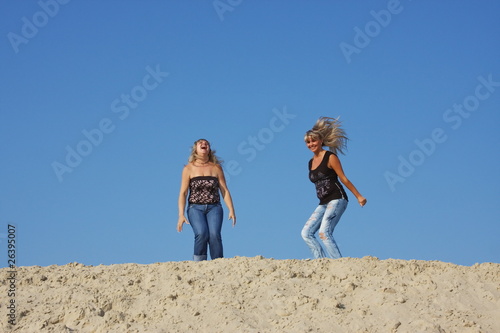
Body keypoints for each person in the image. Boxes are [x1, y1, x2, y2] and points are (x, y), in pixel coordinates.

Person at [301, 117, 367, 259]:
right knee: (306, 233)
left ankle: (339, 263)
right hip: (323, 202)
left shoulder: (330, 157)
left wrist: (359, 196)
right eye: (308, 142)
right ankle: (321, 263)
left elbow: (343, 178)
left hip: (337, 198)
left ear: (320, 141)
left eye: (313, 141)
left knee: (324, 232)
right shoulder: (310, 162)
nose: (311, 144)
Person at [177, 139, 236, 261]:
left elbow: (224, 190)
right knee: (202, 234)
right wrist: (181, 215)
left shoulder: (216, 168)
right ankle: (199, 264)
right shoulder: (188, 169)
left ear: (209, 149)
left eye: (206, 143)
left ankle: (218, 262)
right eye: (201, 143)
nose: (204, 144)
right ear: (195, 149)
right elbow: (183, 193)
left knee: (214, 235)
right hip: (195, 208)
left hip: (214, 207)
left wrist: (231, 210)